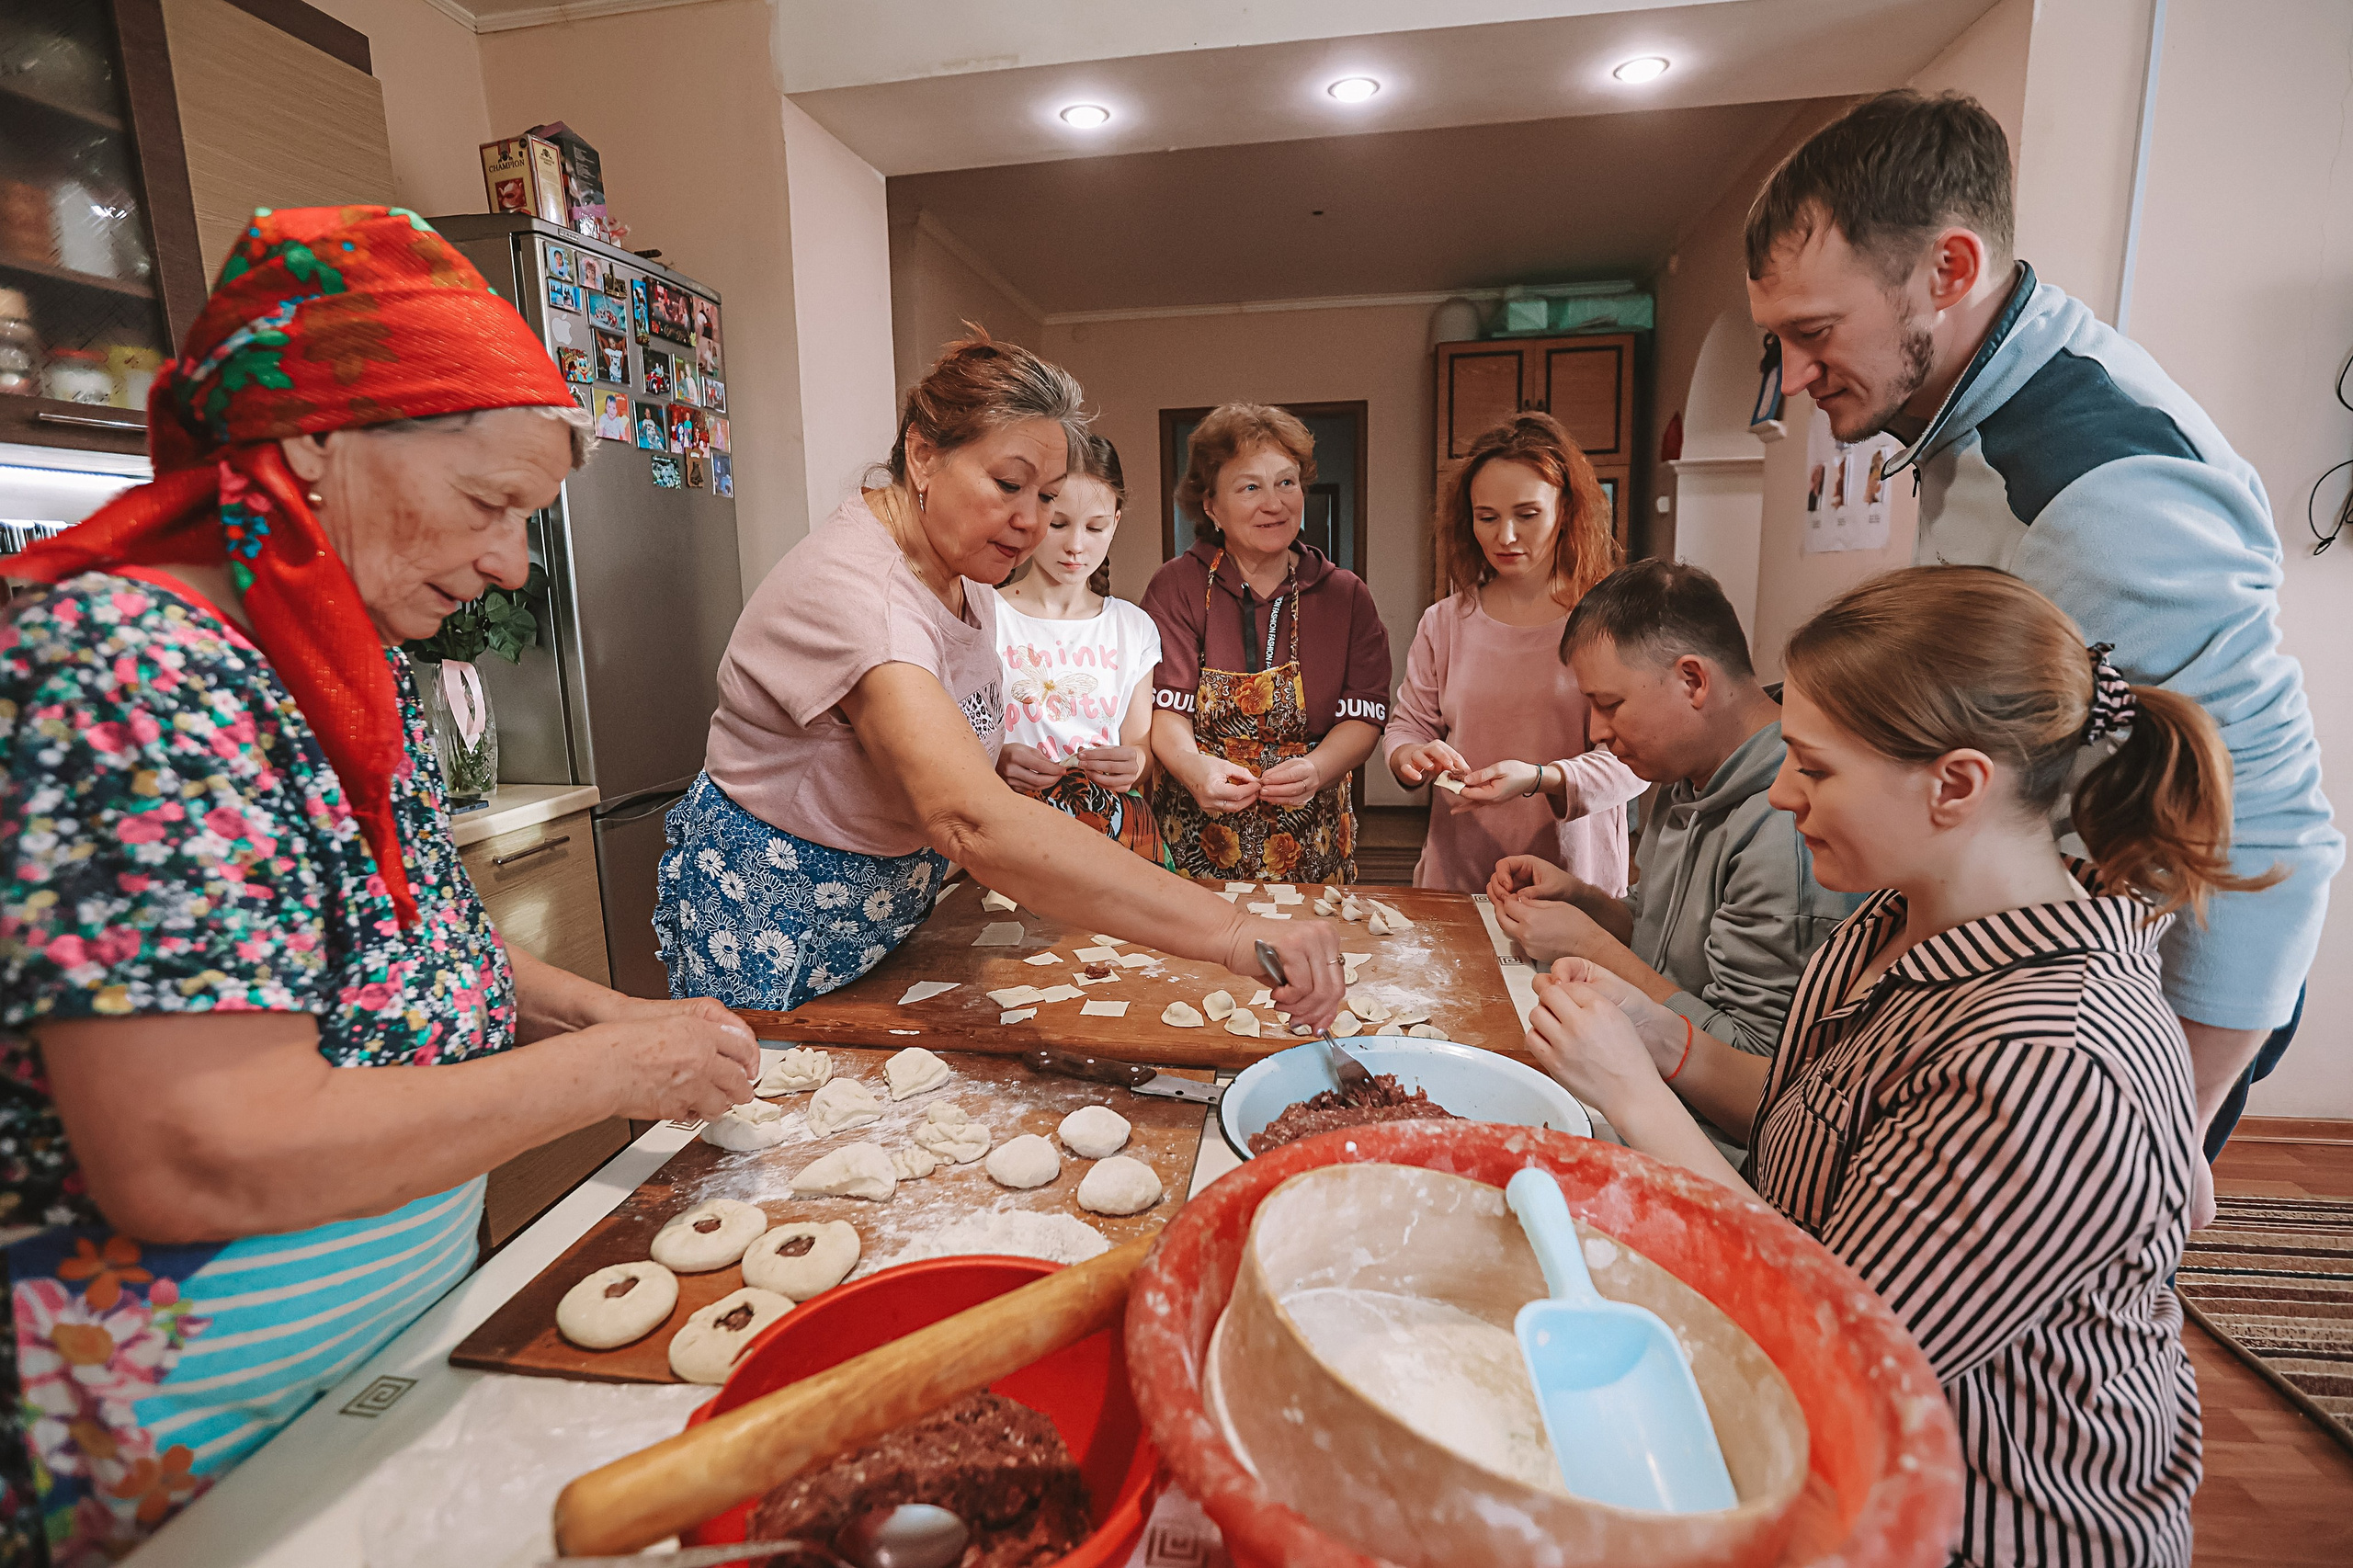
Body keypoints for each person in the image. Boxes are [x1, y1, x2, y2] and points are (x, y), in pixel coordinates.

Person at [0, 207, 758, 1564]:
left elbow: (418, 940)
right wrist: (609, 1075)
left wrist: (604, 1012)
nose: (512, 563)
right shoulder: (128, 672)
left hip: (374, 1352)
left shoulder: (340, 653)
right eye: (489, 504)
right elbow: (199, 1151)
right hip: (194, 1429)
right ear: (313, 439)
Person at [1527, 566, 2264, 1566]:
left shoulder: (2048, 1059)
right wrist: (1659, 1039)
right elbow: (1802, 1135)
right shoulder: (1885, 922)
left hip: (1979, 1524)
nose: (1783, 792)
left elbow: (1834, 1342)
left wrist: (1632, 1095)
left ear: (1955, 783)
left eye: (1815, 770)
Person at [1744, 88, 2341, 1207]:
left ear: (1949, 270)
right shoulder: (1962, 411)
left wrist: (2178, 1119)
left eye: (1814, 333)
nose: (1791, 375)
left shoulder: (2106, 491)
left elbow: (2274, 839)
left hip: (2104, 1026)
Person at [655, 335, 1342, 1022]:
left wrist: (985, 752)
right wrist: (1228, 932)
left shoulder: (966, 568)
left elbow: (913, 740)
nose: (1031, 522)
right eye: (1008, 486)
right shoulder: (863, 600)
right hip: (778, 916)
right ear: (924, 456)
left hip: (888, 907)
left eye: (1045, 495)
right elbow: (970, 822)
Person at [1485, 560, 1853, 1062]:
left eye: (1609, 704)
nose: (1596, 732)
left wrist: (1593, 948)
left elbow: (1756, 1069)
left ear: (1693, 681)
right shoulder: (1684, 773)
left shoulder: (1789, 828)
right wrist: (1582, 901)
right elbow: (1654, 930)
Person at [1382, 414, 1643, 892]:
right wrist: (1409, 756)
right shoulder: (1444, 622)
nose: (1505, 537)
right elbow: (1409, 725)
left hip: (1573, 879)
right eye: (1487, 517)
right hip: (1458, 872)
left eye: (1527, 515)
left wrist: (1539, 778)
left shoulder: (1612, 622)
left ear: (1566, 510)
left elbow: (1636, 762)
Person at [1142, 404, 1392, 883]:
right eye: (1250, 487)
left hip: (1312, 839)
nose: (1274, 503)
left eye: (1287, 482)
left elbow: (1364, 714)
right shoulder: (1177, 587)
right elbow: (1165, 710)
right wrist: (1194, 769)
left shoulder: (1345, 595)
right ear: (1211, 505)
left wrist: (1317, 768)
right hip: (1196, 837)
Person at [990, 435, 1171, 869]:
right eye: (1058, 524)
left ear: (1116, 523)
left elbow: (1139, 750)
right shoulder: (986, 615)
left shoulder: (1132, 628)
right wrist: (995, 759)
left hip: (1109, 838)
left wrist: (1136, 764)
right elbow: (950, 740)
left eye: (1095, 527)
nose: (1076, 545)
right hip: (1012, 836)